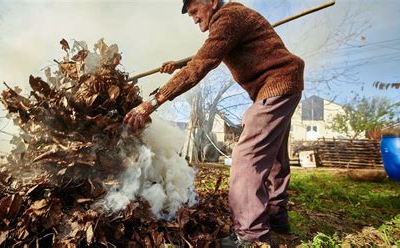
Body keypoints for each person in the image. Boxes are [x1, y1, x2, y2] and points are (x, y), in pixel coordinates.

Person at [124, 0, 304, 245]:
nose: (194, 18)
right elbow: (203, 57)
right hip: (286, 84)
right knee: (274, 157)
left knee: (247, 156)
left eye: (195, 10)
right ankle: (276, 215)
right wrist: (178, 65)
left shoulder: (228, 17)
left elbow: (201, 65)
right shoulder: (232, 19)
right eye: (190, 15)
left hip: (276, 85)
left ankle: (251, 236)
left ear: (211, 1)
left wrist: (151, 104)